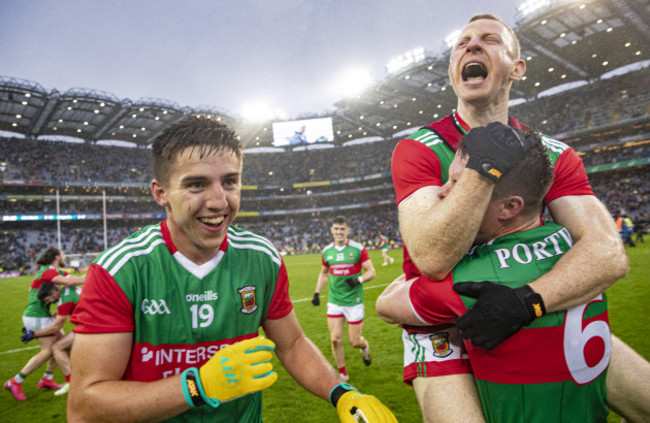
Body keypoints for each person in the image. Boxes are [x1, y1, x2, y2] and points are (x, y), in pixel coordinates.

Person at [388, 13, 636, 422]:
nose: (471, 45)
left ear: (517, 68)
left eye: (489, 39)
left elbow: (608, 253)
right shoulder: (421, 148)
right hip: (442, 328)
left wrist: (527, 302)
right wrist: (485, 167)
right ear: (453, 69)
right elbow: (433, 256)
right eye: (462, 42)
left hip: (536, 308)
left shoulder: (551, 155)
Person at [68, 116, 396, 422]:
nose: (219, 201)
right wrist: (198, 386)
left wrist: (342, 394)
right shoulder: (120, 271)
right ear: (161, 193)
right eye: (197, 185)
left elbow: (292, 344)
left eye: (229, 182)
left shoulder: (261, 258)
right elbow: (84, 406)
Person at [378, 135, 612, 421]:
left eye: (461, 187)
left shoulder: (469, 281)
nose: (442, 191)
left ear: (509, 207)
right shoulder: (581, 253)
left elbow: (386, 306)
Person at [4, 247, 85, 401]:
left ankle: (47, 378)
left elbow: (75, 278)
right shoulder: (48, 271)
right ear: (56, 257)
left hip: (40, 315)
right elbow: (72, 282)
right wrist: (91, 278)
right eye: (62, 254)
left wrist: (93, 273)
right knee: (49, 351)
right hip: (37, 317)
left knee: (60, 346)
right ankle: (15, 381)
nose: (64, 256)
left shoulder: (55, 272)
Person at [311, 215, 376, 381]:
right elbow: (324, 273)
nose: (339, 232)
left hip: (354, 302)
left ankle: (365, 346)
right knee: (335, 339)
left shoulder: (358, 249)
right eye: (336, 229)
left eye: (342, 229)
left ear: (348, 230)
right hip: (334, 301)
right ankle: (343, 374)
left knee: (354, 341)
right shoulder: (326, 251)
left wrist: (358, 280)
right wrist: (317, 292)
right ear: (331, 230)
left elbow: (371, 272)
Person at [21, 282, 82, 396]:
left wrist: (34, 334)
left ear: (54, 292)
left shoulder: (64, 300)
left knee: (57, 347)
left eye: (48, 299)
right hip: (99, 317)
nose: (48, 302)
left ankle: (72, 384)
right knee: (65, 345)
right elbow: (60, 314)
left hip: (92, 324)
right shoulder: (68, 289)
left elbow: (56, 326)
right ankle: (49, 378)